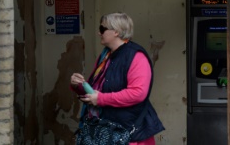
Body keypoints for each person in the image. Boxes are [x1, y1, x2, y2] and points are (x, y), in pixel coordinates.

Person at [70, 12, 165, 145]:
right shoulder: (105, 55)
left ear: (116, 31)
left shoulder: (136, 56)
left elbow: (138, 93)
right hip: (105, 129)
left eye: (102, 29)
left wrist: (101, 99)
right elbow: (96, 91)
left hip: (129, 131)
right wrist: (78, 85)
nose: (99, 33)